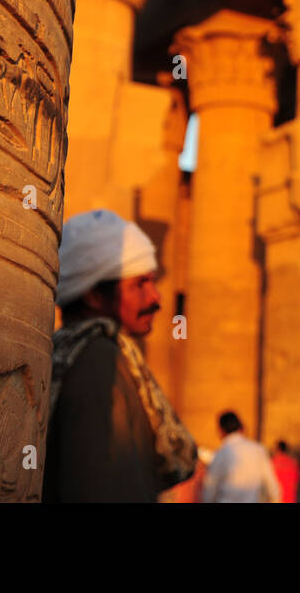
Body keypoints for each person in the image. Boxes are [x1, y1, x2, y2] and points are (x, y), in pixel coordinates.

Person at [44, 209, 197, 502]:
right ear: (93, 295)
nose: (156, 298)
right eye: (140, 284)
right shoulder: (99, 361)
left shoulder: (77, 354)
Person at [201, 411, 282, 503]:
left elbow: (209, 491)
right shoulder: (258, 450)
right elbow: (273, 488)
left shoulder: (221, 454)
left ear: (221, 430)